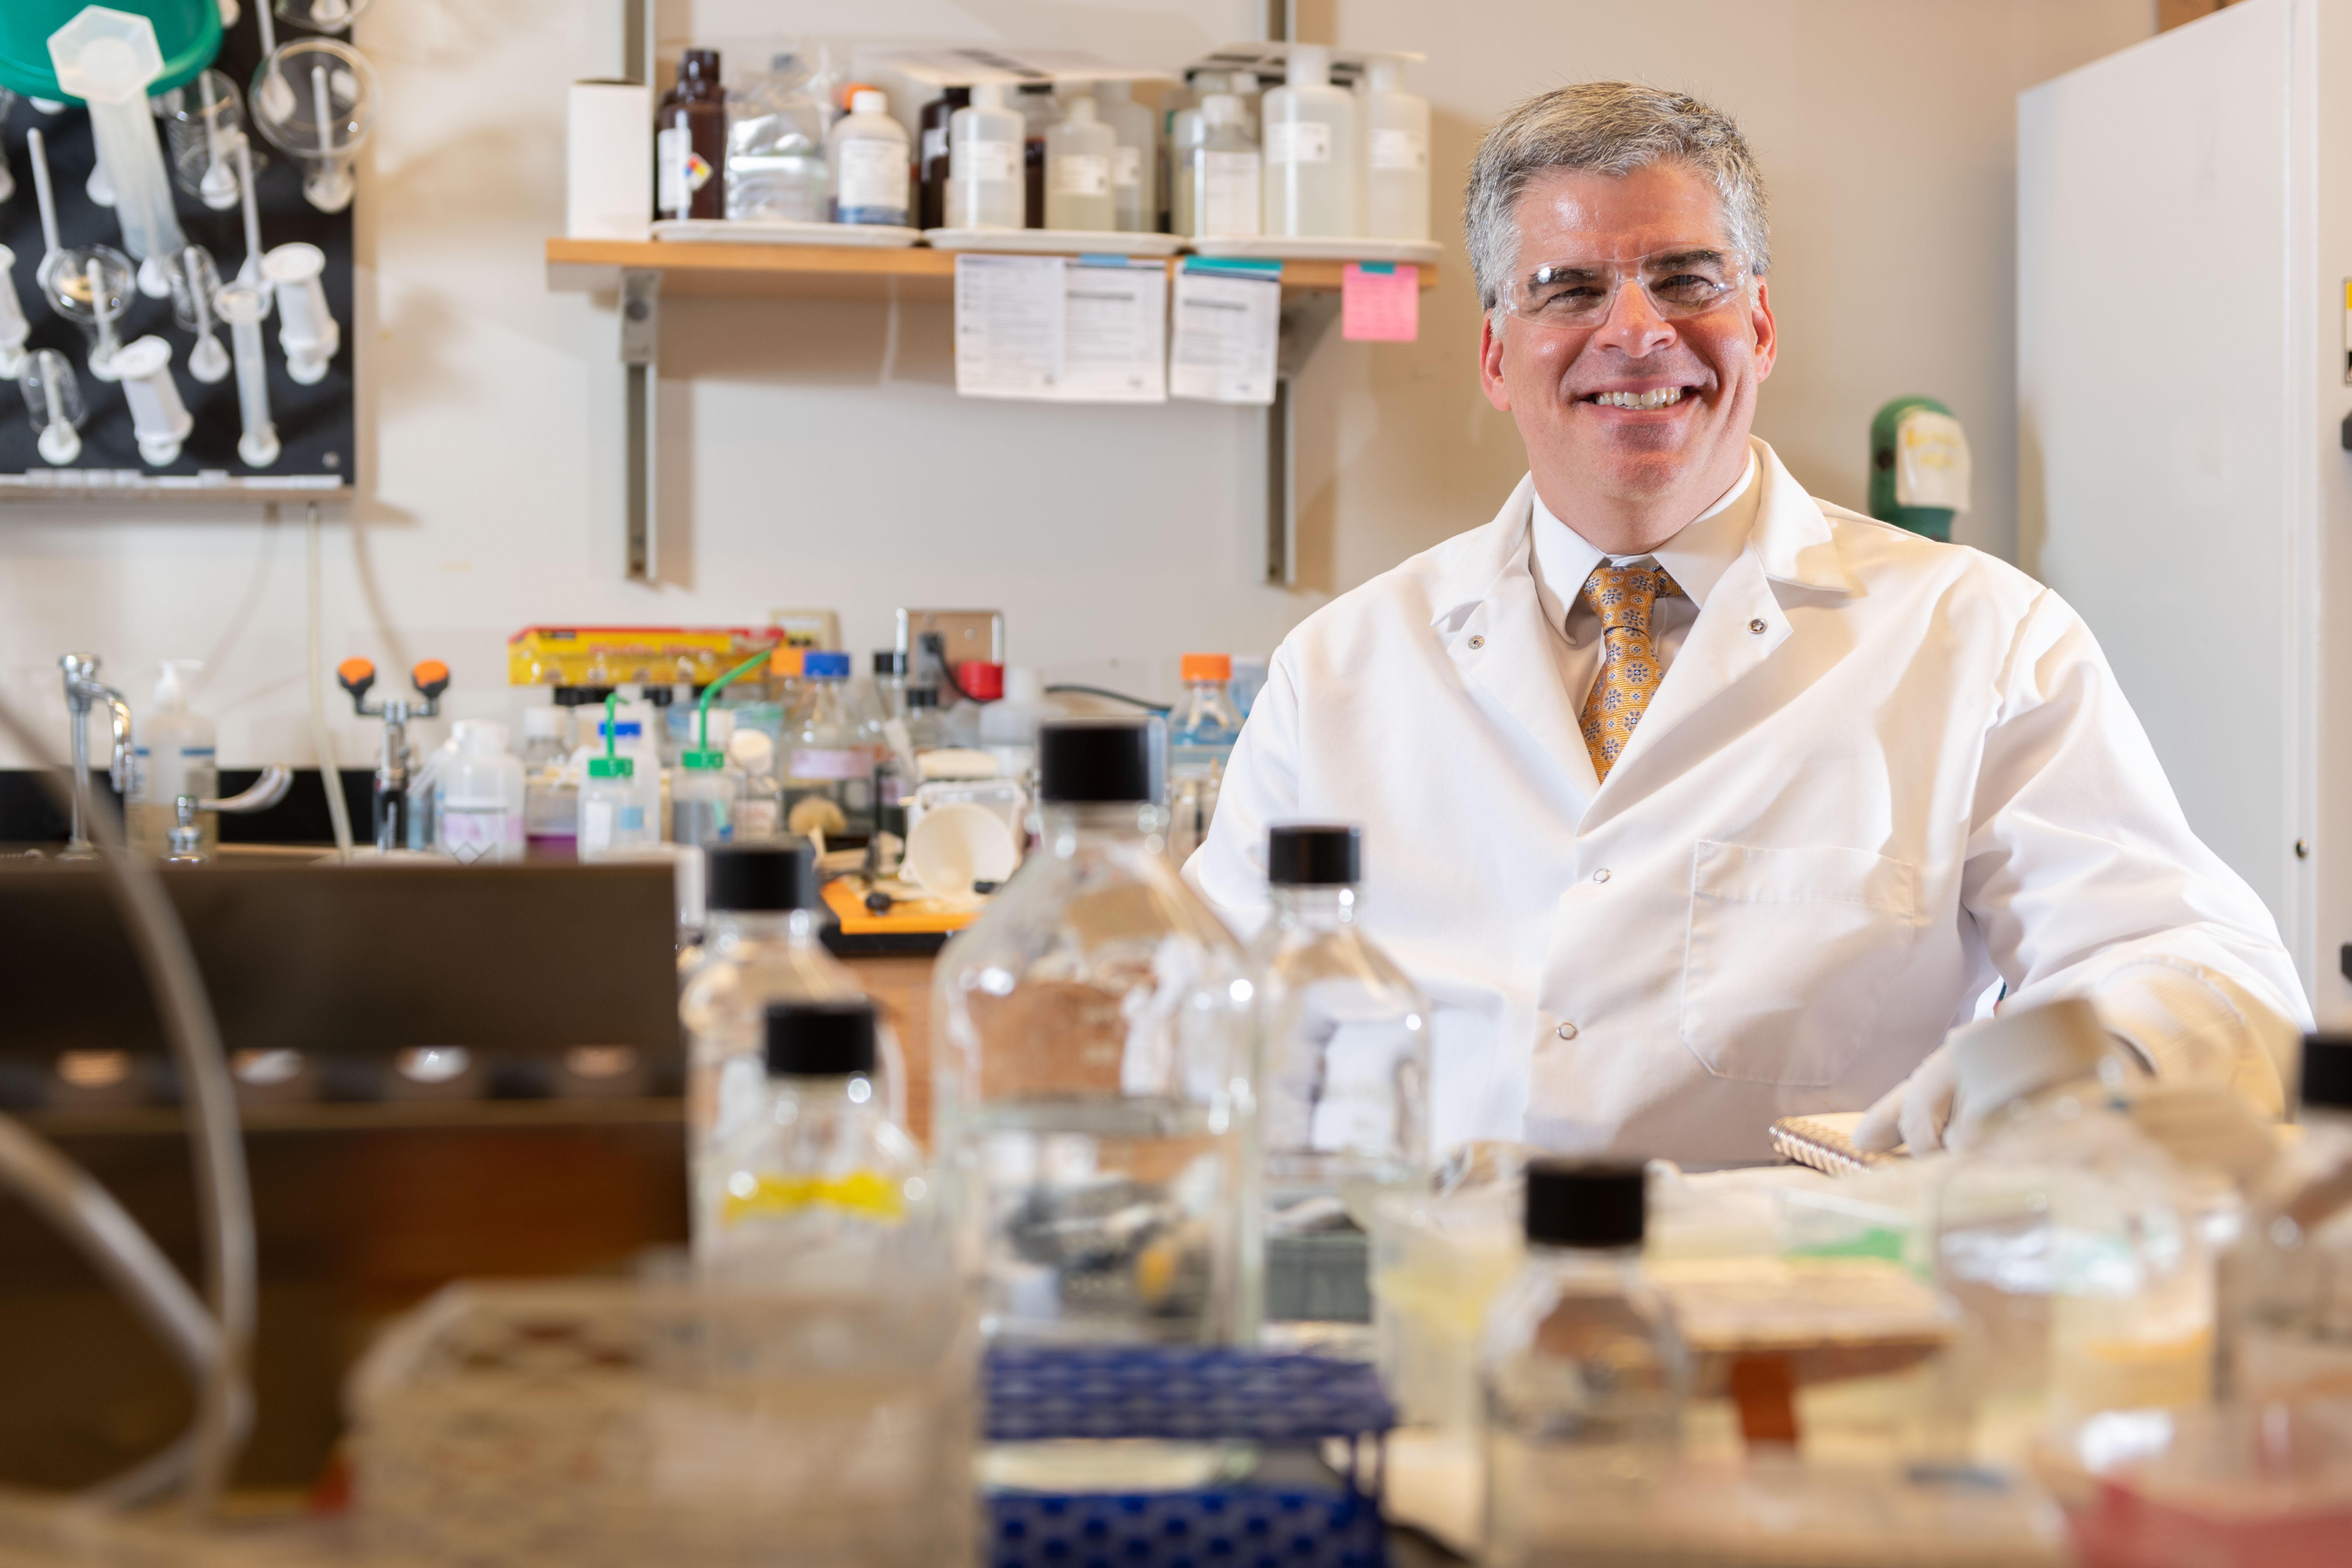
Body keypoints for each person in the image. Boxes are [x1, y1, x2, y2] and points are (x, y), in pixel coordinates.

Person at [1185, 81, 2309, 1166]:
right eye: (1569, 289)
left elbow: (2198, 961)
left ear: (1759, 326)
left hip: (1805, 1318)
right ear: (1493, 355)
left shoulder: (1981, 638)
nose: (1634, 333)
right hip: (1418, 1300)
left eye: (1685, 280)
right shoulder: (1340, 670)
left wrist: (2080, 1054)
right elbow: (1198, 1018)